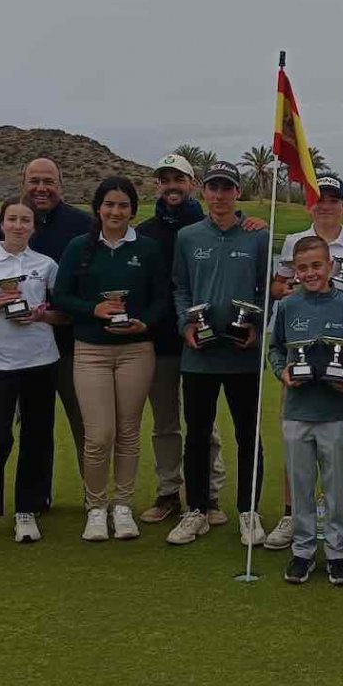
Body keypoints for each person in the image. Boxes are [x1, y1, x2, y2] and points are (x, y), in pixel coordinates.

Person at [53, 177, 167, 541]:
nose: (116, 212)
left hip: (136, 350)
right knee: (99, 434)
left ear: (133, 210)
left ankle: (122, 505)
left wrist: (143, 323)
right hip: (90, 352)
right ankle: (96, 506)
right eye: (109, 205)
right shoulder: (79, 247)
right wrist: (95, 309)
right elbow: (61, 297)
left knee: (129, 430)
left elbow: (162, 297)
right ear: (98, 208)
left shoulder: (147, 249)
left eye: (123, 205)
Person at [264, 173, 343, 554]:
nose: (325, 205)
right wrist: (297, 291)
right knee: (296, 440)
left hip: (342, 357)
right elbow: (277, 288)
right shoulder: (294, 241)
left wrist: (338, 306)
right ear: (311, 203)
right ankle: (293, 514)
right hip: (299, 352)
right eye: (319, 198)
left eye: (332, 199)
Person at [0, 158, 92, 479]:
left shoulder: (82, 224)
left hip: (73, 344)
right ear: (23, 184)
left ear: (60, 186)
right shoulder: (6, 223)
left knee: (85, 426)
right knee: (33, 427)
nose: (41, 188)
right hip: (20, 351)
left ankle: (95, 500)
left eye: (48, 181)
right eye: (34, 181)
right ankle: (36, 497)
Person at [166, 162, 270, 546]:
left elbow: (264, 292)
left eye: (227, 187)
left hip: (244, 355)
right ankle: (196, 510)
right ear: (203, 192)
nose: (220, 194)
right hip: (200, 355)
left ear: (236, 193)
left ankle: (249, 511)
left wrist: (258, 330)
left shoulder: (257, 236)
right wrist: (186, 325)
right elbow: (181, 289)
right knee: (196, 435)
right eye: (213, 187)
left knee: (248, 436)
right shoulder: (189, 237)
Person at [0, 198, 67, 548]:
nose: (19, 225)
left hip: (41, 360)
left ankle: (26, 509)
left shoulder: (46, 264)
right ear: (1, 223)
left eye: (25, 220)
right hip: (2, 364)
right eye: (12, 219)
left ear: (33, 227)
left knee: (36, 436)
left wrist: (40, 316)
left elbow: (62, 315)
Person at [135, 154, 227, 526]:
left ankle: (209, 494)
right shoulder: (144, 232)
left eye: (180, 179)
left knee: (206, 426)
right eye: (165, 179)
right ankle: (169, 492)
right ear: (158, 185)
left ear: (193, 184)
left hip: (202, 343)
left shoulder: (209, 226)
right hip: (161, 344)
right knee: (166, 425)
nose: (172, 185)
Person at [268, 236, 343, 586]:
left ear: (331, 267)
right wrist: (282, 371)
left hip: (336, 411)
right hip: (297, 410)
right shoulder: (288, 306)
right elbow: (276, 349)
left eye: (316, 266)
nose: (310, 273)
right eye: (303, 267)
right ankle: (303, 550)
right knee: (301, 483)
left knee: (336, 485)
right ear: (295, 271)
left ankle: (338, 552)